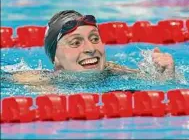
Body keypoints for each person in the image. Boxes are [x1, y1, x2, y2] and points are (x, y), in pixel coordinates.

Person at [11, 10, 175, 90]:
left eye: (95, 39)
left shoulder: (113, 70)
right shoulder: (38, 81)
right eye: (76, 42)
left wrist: (166, 73)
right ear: (56, 58)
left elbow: (159, 86)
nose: (90, 49)